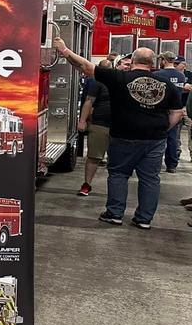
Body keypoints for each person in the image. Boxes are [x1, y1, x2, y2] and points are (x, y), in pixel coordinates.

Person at [53, 40, 184, 229]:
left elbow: (85, 66)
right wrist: (163, 130)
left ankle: (114, 214)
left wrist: (65, 51)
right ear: (152, 63)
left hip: (124, 136)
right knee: (150, 179)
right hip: (155, 140)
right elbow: (177, 113)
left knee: (119, 175)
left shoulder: (119, 78)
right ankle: (144, 219)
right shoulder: (166, 84)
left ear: (132, 61)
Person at [76, 59, 112, 196]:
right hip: (99, 124)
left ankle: (115, 190)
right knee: (94, 157)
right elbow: (88, 102)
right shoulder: (98, 82)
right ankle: (87, 184)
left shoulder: (123, 82)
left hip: (119, 127)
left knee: (118, 161)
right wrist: (82, 121)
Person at [153, 51, 187, 172]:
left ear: (164, 60)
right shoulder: (181, 76)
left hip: (160, 110)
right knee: (172, 138)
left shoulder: (157, 74)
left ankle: (154, 162)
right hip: (176, 110)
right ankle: (172, 165)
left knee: (156, 138)